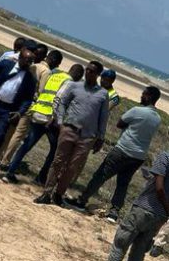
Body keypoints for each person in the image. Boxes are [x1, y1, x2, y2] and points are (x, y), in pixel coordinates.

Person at [66, 86, 162, 223]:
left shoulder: (136, 110)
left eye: (143, 94)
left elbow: (119, 123)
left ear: (148, 96)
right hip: (139, 156)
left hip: (123, 149)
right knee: (123, 183)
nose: (141, 96)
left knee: (100, 175)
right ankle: (114, 213)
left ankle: (81, 201)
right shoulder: (157, 118)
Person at [34, 61, 109, 206]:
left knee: (72, 168)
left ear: (98, 75)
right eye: (87, 70)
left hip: (87, 137)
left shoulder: (103, 94)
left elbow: (103, 117)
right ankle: (46, 193)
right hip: (69, 129)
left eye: (92, 71)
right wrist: (61, 122)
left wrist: (100, 137)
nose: (88, 73)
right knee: (57, 162)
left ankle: (58, 194)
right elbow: (62, 103)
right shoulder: (74, 86)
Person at [1, 62, 84, 184]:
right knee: (55, 149)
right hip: (49, 118)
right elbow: (59, 99)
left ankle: (10, 172)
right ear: (77, 74)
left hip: (38, 111)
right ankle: (41, 177)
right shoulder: (70, 83)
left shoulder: (55, 75)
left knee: (27, 145)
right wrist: (54, 117)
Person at [106, 151, 169, 261]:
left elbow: (159, 188)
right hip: (160, 216)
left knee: (120, 245)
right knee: (139, 251)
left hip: (144, 207)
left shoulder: (165, 156)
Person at [0, 45, 54, 166]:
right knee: (19, 134)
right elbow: (41, 90)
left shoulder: (33, 65)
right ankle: (5, 160)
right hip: (29, 103)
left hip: (19, 101)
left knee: (9, 130)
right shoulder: (46, 71)